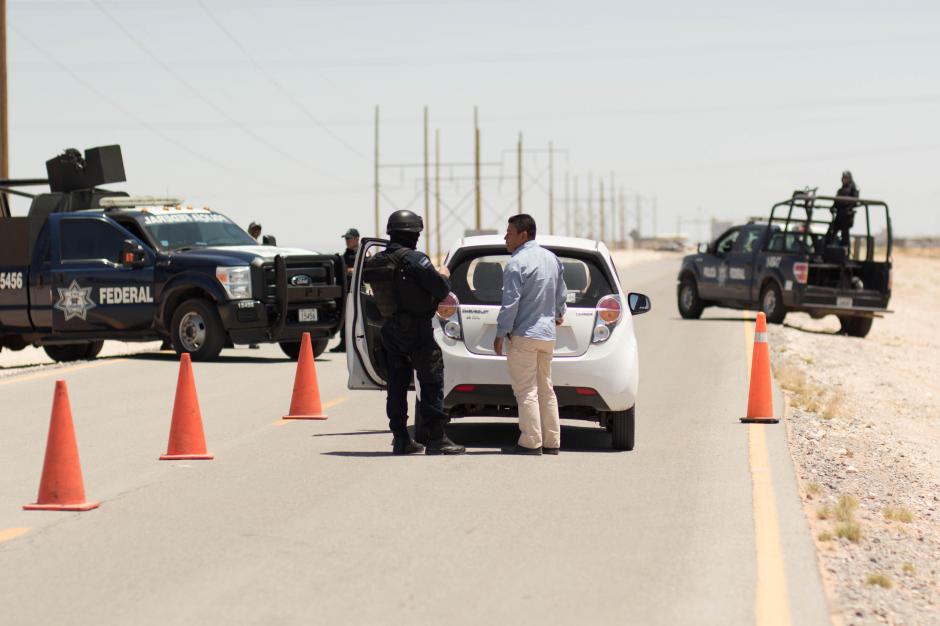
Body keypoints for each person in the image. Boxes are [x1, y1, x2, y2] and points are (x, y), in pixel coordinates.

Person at [366, 210, 465, 455]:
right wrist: (442, 274)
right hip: (418, 331)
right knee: (431, 383)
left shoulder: (377, 261)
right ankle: (436, 439)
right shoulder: (413, 259)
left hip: (390, 330)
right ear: (412, 234)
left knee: (396, 386)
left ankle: (400, 438)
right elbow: (441, 288)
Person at [494, 214, 567, 456]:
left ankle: (531, 442)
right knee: (546, 388)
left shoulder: (517, 263)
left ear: (523, 235)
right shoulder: (551, 259)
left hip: (524, 335)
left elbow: (510, 303)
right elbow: (561, 295)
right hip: (546, 335)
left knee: (526, 390)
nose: (506, 238)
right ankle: (552, 441)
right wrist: (557, 314)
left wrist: (501, 332)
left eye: (509, 233)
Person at [331, 228, 360, 353]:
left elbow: (364, 268)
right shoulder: (344, 256)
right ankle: (344, 343)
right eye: (346, 239)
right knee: (344, 317)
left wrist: (352, 270)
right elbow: (342, 270)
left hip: (359, 291)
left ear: (356, 239)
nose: (347, 241)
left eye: (349, 238)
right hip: (345, 291)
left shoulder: (362, 254)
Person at [825, 171, 859, 248]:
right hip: (839, 215)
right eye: (843, 178)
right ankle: (827, 248)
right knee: (831, 231)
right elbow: (836, 202)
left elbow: (855, 201)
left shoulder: (853, 189)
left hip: (847, 216)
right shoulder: (840, 190)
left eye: (846, 178)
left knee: (845, 234)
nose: (844, 180)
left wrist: (848, 208)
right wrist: (833, 207)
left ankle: (845, 250)